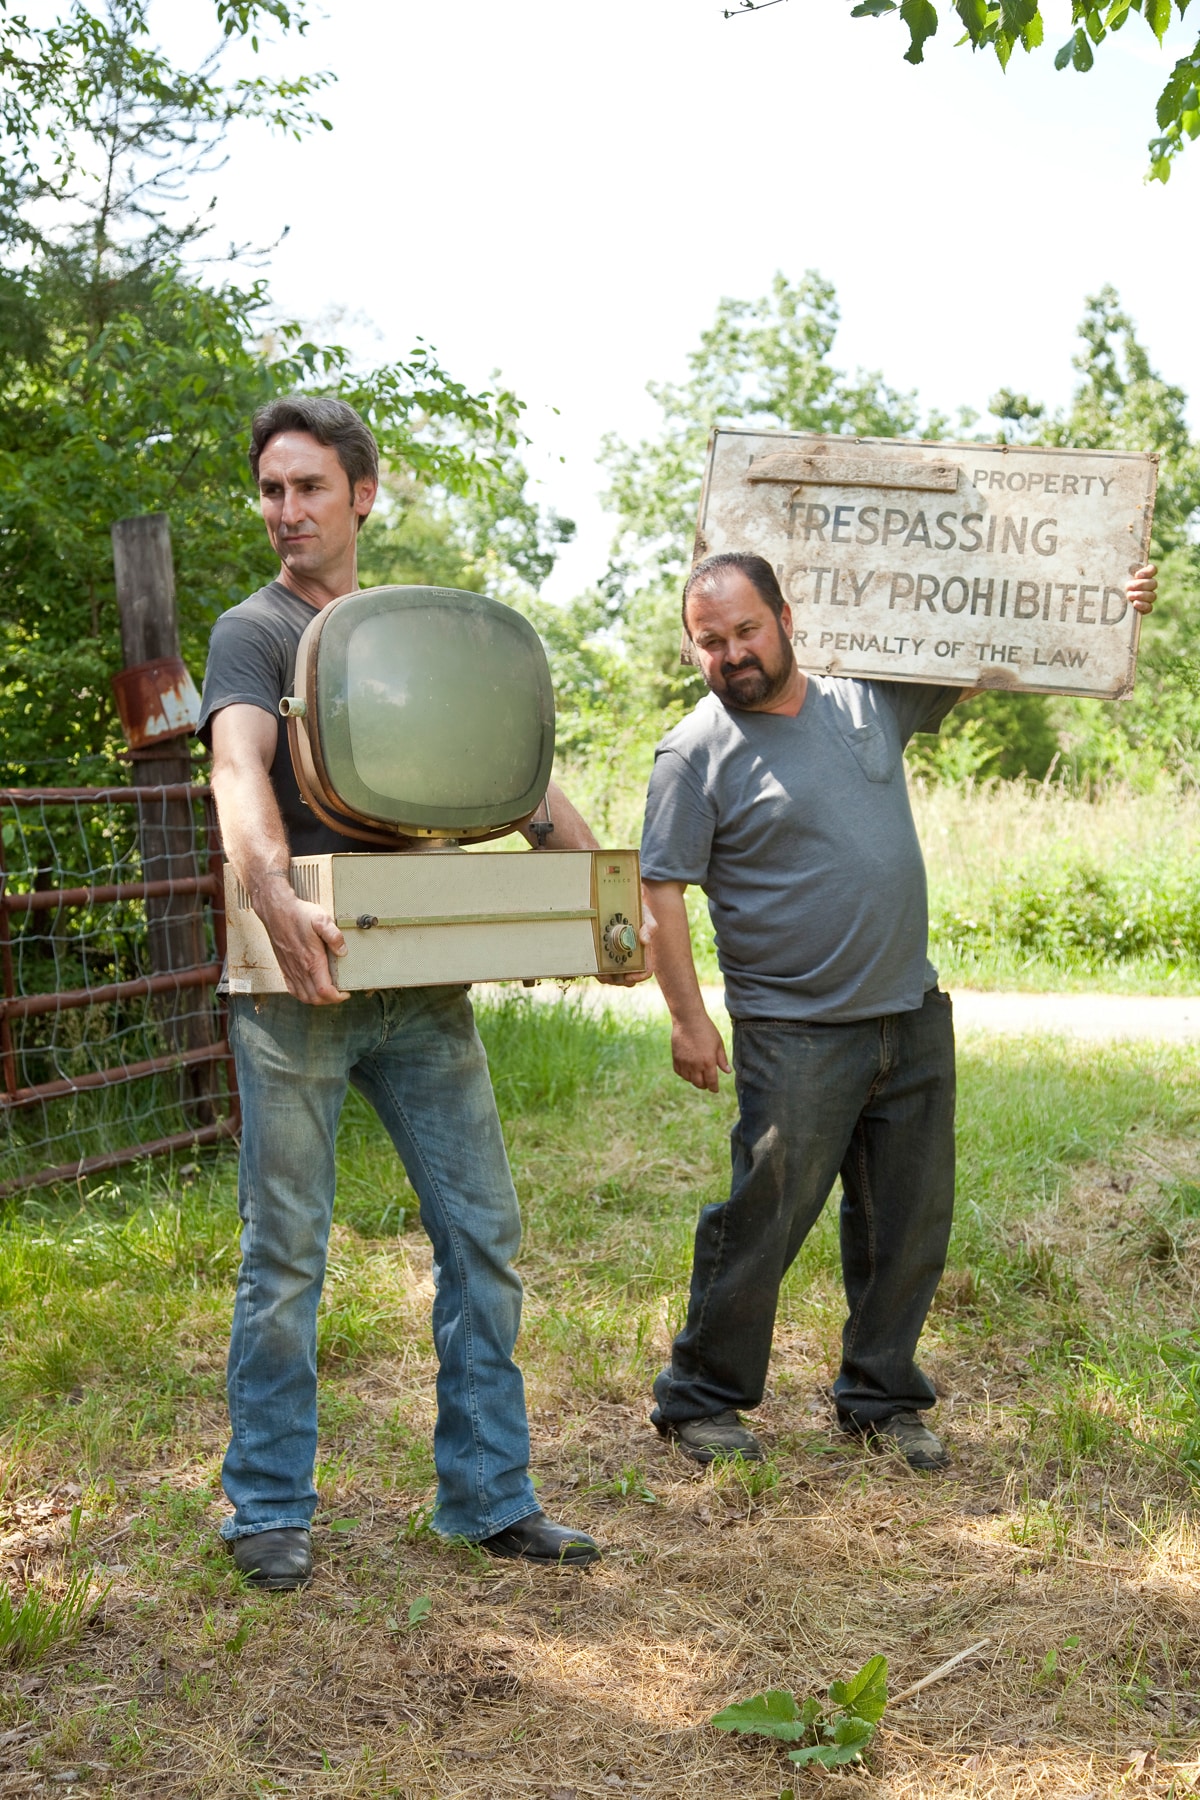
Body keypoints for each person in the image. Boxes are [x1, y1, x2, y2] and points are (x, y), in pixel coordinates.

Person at [199, 394, 623, 1588]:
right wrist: (271, 893)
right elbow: (239, 767)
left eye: (309, 488)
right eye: (271, 490)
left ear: (362, 497)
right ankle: (269, 1506)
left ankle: (490, 1496)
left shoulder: (413, 637)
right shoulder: (253, 631)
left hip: (423, 984)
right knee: (286, 1252)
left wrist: (607, 899)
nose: (287, 512)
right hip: (298, 984)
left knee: (484, 1234)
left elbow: (528, 795)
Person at [641, 550, 1156, 1471]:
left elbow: (990, 654)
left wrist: (1101, 611)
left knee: (909, 1221)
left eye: (746, 631)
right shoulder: (694, 751)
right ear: (693, 647)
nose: (730, 654)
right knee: (764, 1216)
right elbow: (662, 893)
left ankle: (880, 1399)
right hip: (795, 1030)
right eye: (709, 641)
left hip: (907, 1013)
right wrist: (688, 1016)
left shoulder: (864, 699)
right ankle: (699, 1399)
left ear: (787, 618)